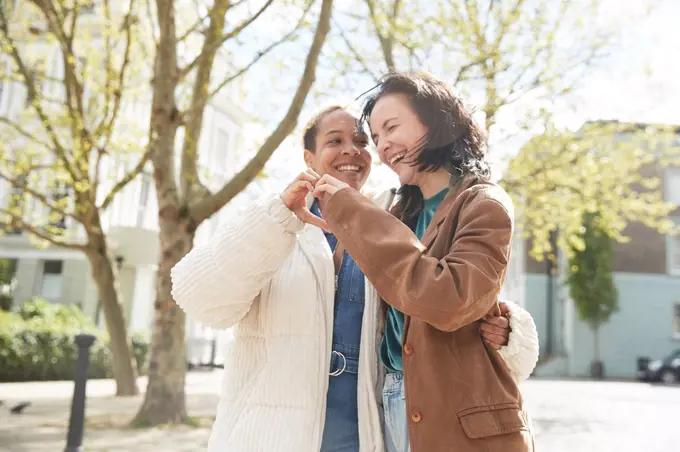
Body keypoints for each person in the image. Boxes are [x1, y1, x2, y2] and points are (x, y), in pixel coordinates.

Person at [170, 104, 539, 452]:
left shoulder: (393, 225)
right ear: (308, 159)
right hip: (271, 437)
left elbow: (450, 295)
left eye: (363, 141)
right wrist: (279, 216)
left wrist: (509, 331)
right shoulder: (270, 223)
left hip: (365, 437)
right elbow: (200, 300)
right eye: (335, 141)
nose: (352, 150)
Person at [311, 73, 536, 452]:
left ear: (435, 123)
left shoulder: (483, 203)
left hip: (462, 416)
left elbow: (450, 299)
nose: (383, 146)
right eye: (377, 137)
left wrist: (351, 210)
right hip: (392, 399)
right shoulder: (397, 213)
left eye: (391, 127)